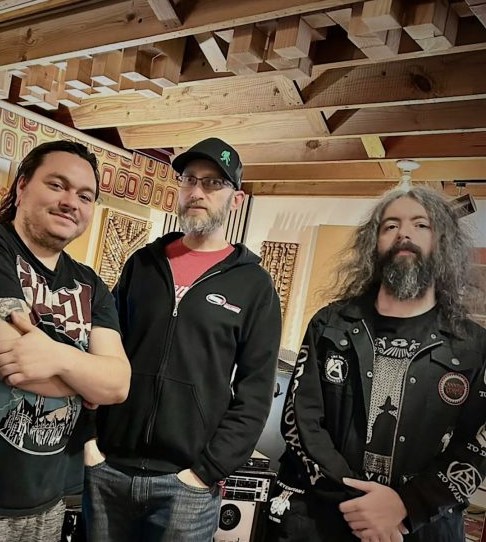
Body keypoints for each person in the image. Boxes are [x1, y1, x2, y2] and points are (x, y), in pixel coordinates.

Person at [84, 137, 282, 541]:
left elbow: (256, 393)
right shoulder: (142, 264)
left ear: (236, 200)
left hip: (187, 488)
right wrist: (89, 442)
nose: (197, 192)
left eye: (213, 183)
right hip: (108, 471)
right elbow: (98, 350)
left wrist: (205, 471)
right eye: (190, 179)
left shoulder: (254, 286)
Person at [268, 186, 486, 542]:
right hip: (322, 521)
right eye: (391, 225)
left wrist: (407, 507)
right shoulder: (329, 325)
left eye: (421, 225)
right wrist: (362, 505)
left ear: (444, 243)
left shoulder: (474, 346)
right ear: (374, 243)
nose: (404, 233)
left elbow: (477, 445)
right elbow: (301, 423)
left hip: (423, 528)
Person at [0, 140, 131, 542]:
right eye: (57, 185)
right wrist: (88, 380)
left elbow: (118, 385)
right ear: (22, 186)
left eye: (84, 196)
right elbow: (16, 360)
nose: (70, 202)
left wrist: (57, 358)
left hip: (48, 503)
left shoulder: (91, 285)